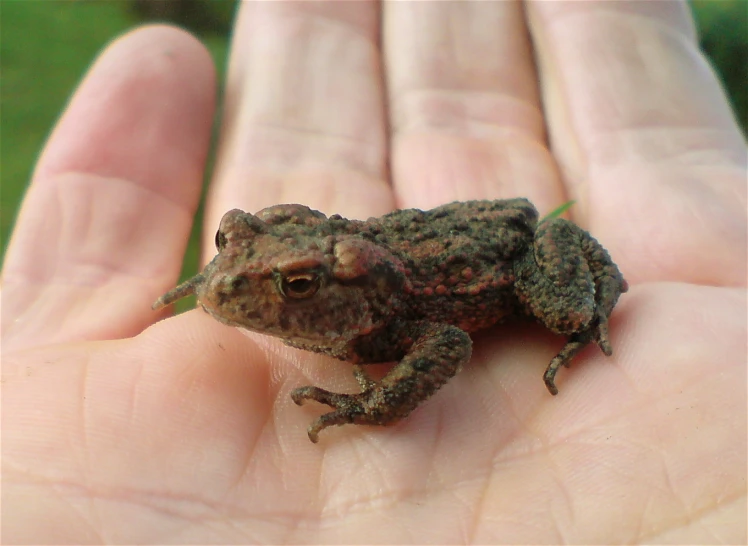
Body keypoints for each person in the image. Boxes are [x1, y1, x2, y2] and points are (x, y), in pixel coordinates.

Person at [3, 1, 745, 542]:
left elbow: (448, 342)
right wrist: (211, 277)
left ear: (334, 292)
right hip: (426, 232)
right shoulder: (300, 278)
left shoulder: (391, 312)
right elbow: (253, 252)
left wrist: (381, 405)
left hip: (509, 251)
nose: (232, 280)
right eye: (230, 251)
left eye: (294, 286)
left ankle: (595, 305)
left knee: (563, 307)